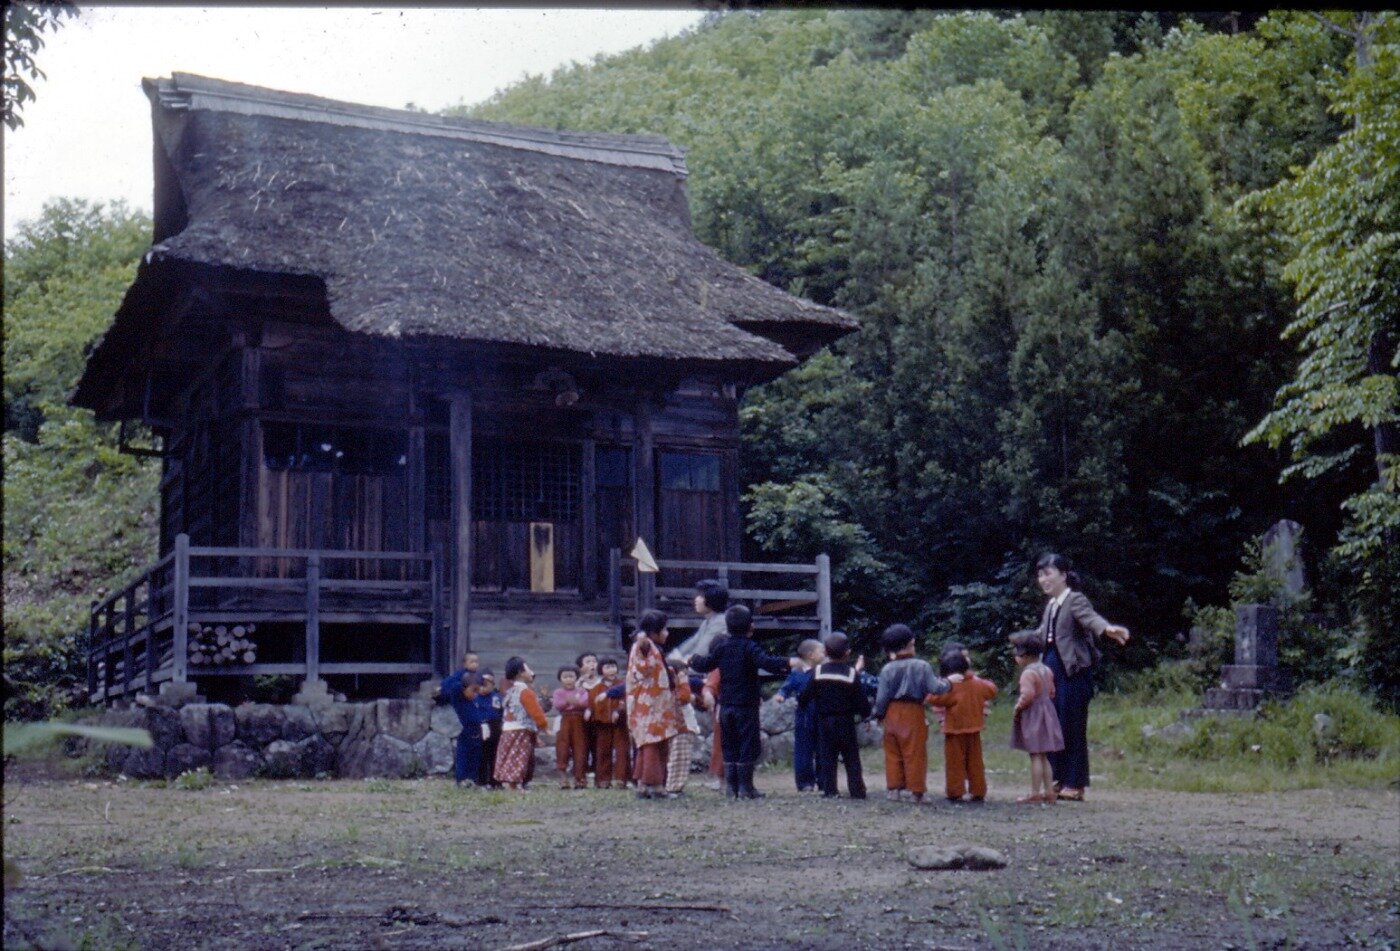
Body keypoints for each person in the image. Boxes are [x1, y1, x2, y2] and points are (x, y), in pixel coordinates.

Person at [1034, 552, 1130, 801]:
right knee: (1054, 725)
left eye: (1048, 574)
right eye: (1040, 575)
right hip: (1052, 671)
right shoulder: (1051, 606)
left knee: (1072, 725)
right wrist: (1020, 644)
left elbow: (1090, 619)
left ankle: (1075, 784)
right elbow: (1042, 636)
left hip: (1073, 672)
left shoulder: (1075, 600)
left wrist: (1106, 629)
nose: (1043, 579)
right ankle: (1059, 778)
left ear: (1063, 575)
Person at [685, 604, 800, 799]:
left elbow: (706, 663)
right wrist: (788, 662)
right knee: (748, 744)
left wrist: (692, 659)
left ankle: (731, 788)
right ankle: (746, 788)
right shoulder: (749, 647)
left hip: (726, 704)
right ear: (751, 627)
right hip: (746, 705)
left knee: (729, 744)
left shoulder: (722, 647)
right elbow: (767, 662)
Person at [873, 624, 951, 803]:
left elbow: (881, 697)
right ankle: (917, 791)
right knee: (914, 752)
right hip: (913, 710)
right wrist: (949, 683)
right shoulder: (921, 666)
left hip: (892, 711)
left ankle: (894, 790)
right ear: (911, 643)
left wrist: (879, 714)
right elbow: (935, 688)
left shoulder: (887, 669)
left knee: (892, 752)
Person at [798, 632, 871, 799]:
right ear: (848, 652)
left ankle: (830, 790)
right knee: (851, 756)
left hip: (824, 720)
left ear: (826, 652)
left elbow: (805, 695)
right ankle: (857, 790)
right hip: (846, 720)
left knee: (827, 756)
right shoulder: (852, 674)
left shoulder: (818, 672)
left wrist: (802, 703)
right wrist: (866, 716)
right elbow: (861, 699)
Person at [926, 652, 998, 802]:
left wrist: (943, 683)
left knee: (955, 763)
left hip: (954, 731)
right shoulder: (978, 684)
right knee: (975, 762)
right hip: (975, 729)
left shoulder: (951, 687)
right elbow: (992, 690)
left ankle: (955, 791)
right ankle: (978, 791)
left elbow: (933, 698)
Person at [627, 609, 684, 800]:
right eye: (664, 629)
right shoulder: (644, 646)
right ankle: (656, 785)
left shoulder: (648, 645)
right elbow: (645, 667)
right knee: (653, 743)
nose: (667, 633)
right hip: (650, 702)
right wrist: (643, 647)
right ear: (654, 631)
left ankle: (644, 784)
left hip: (652, 701)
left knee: (650, 742)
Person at [1009, 631, 1064, 804]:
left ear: (1023, 655)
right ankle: (1049, 791)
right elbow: (1052, 691)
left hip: (1034, 716)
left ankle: (1035, 792)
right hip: (1048, 713)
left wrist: (1018, 706)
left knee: (1035, 755)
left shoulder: (1027, 674)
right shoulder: (1046, 670)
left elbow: (1027, 695)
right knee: (1044, 756)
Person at [774, 638, 824, 792]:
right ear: (811, 655)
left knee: (823, 747)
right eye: (821, 651)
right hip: (804, 714)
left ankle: (823, 780)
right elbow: (786, 687)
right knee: (803, 749)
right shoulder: (797, 673)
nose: (824, 654)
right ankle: (805, 782)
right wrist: (781, 695)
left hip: (822, 712)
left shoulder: (824, 670)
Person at [494, 656, 549, 791]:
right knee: (518, 756)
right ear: (520, 672)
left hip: (508, 728)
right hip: (520, 729)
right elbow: (535, 711)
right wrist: (544, 725)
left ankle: (509, 782)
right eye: (528, 669)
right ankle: (513, 784)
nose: (531, 672)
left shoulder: (510, 691)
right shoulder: (525, 692)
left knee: (509, 755)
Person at [440, 657, 484, 787]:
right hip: (465, 730)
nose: (475, 694)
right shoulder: (458, 695)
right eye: (473, 690)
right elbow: (449, 685)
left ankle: (472, 779)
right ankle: (461, 780)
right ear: (464, 688)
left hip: (476, 730)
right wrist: (464, 673)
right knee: (464, 755)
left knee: (475, 756)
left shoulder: (473, 699)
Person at [668, 578, 730, 665]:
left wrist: (679, 661)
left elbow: (701, 652)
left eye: (701, 596)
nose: (696, 599)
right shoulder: (707, 621)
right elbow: (691, 643)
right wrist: (674, 656)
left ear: (711, 599)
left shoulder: (720, 622)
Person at [590, 657, 628, 788]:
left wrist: (619, 711)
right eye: (607, 667)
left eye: (613, 666)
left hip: (620, 723)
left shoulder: (622, 685)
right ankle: (603, 780)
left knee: (621, 751)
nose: (611, 670)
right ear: (601, 670)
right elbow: (592, 702)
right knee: (603, 751)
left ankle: (621, 779)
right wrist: (590, 710)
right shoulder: (597, 687)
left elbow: (626, 700)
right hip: (603, 723)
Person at [552, 666, 591, 789]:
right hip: (564, 721)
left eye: (571, 676)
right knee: (562, 749)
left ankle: (580, 778)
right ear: (560, 679)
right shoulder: (558, 692)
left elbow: (585, 703)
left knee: (580, 749)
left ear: (576, 678)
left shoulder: (582, 691)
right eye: (565, 677)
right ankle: (563, 779)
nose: (568, 680)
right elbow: (558, 704)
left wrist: (573, 702)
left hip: (579, 721)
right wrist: (571, 702)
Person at [664, 662, 698, 797]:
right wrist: (683, 683)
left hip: (679, 726)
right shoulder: (674, 688)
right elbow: (684, 698)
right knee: (678, 758)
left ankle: (674, 786)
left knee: (680, 757)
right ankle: (673, 787)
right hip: (680, 726)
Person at [475, 670, 503, 787]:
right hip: (480, 726)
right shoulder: (475, 697)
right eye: (481, 684)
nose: (483, 688)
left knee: (495, 755)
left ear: (493, 685)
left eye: (487, 684)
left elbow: (501, 711)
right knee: (481, 755)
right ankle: (481, 781)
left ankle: (495, 781)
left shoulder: (496, 697)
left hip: (495, 726)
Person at [576, 652, 602, 781]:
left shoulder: (602, 681)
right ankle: (583, 770)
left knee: (598, 744)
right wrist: (581, 681)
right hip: (582, 718)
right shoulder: (577, 683)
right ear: (580, 667)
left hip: (599, 718)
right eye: (588, 662)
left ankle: (598, 769)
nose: (592, 664)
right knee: (583, 743)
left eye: (594, 661)